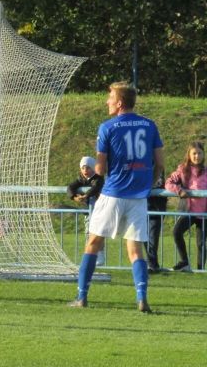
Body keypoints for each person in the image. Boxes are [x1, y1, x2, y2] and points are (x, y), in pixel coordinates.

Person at [69, 81, 163, 313]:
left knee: (93, 243)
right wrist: (147, 184)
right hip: (138, 197)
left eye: (110, 97)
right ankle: (141, 298)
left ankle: (81, 297)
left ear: (119, 103)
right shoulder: (149, 125)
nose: (107, 101)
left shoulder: (108, 127)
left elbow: (99, 169)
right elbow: (160, 164)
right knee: (135, 250)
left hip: (113, 194)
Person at [165, 141, 207, 271]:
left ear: (203, 154)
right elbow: (168, 182)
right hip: (188, 211)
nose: (197, 156)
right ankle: (184, 262)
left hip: (204, 214)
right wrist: (179, 190)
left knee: (201, 243)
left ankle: (200, 270)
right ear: (189, 155)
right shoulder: (182, 170)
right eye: (194, 153)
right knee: (176, 232)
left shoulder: (206, 171)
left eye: (199, 153)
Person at [66, 156, 105, 265]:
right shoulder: (81, 179)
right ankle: (90, 258)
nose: (85, 171)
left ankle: (100, 255)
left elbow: (96, 187)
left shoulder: (98, 178)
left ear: (93, 168)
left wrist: (86, 195)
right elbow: (70, 188)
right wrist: (74, 197)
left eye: (88, 168)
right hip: (89, 211)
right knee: (88, 232)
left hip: (100, 209)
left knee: (98, 232)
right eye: (83, 168)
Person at [146, 171, 167, 273]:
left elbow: (159, 182)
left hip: (156, 205)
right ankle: (152, 263)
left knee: (152, 235)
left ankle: (152, 265)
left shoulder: (158, 165)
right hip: (141, 203)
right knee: (143, 236)